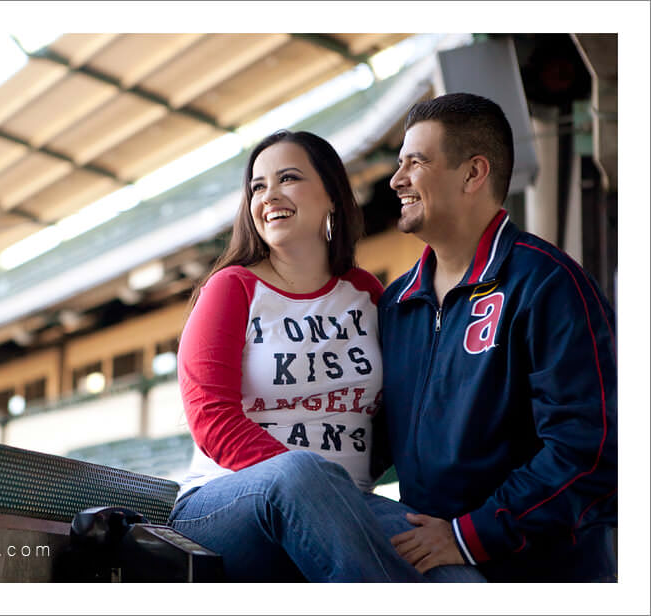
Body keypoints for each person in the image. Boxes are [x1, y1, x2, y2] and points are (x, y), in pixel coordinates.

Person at [167, 129, 455, 582]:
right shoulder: (232, 288)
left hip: (351, 505)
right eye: (257, 186)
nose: (269, 195)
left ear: (332, 196)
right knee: (301, 473)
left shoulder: (366, 293)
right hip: (226, 503)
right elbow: (210, 417)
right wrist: (314, 482)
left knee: (451, 572)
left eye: (288, 178)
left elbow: (392, 416)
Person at [371, 92, 618, 582]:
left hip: (543, 576)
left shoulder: (547, 283)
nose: (397, 180)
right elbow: (371, 441)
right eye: (399, 164)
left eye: (416, 162)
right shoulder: (395, 304)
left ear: (472, 173)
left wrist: (470, 535)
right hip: (433, 572)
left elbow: (590, 449)